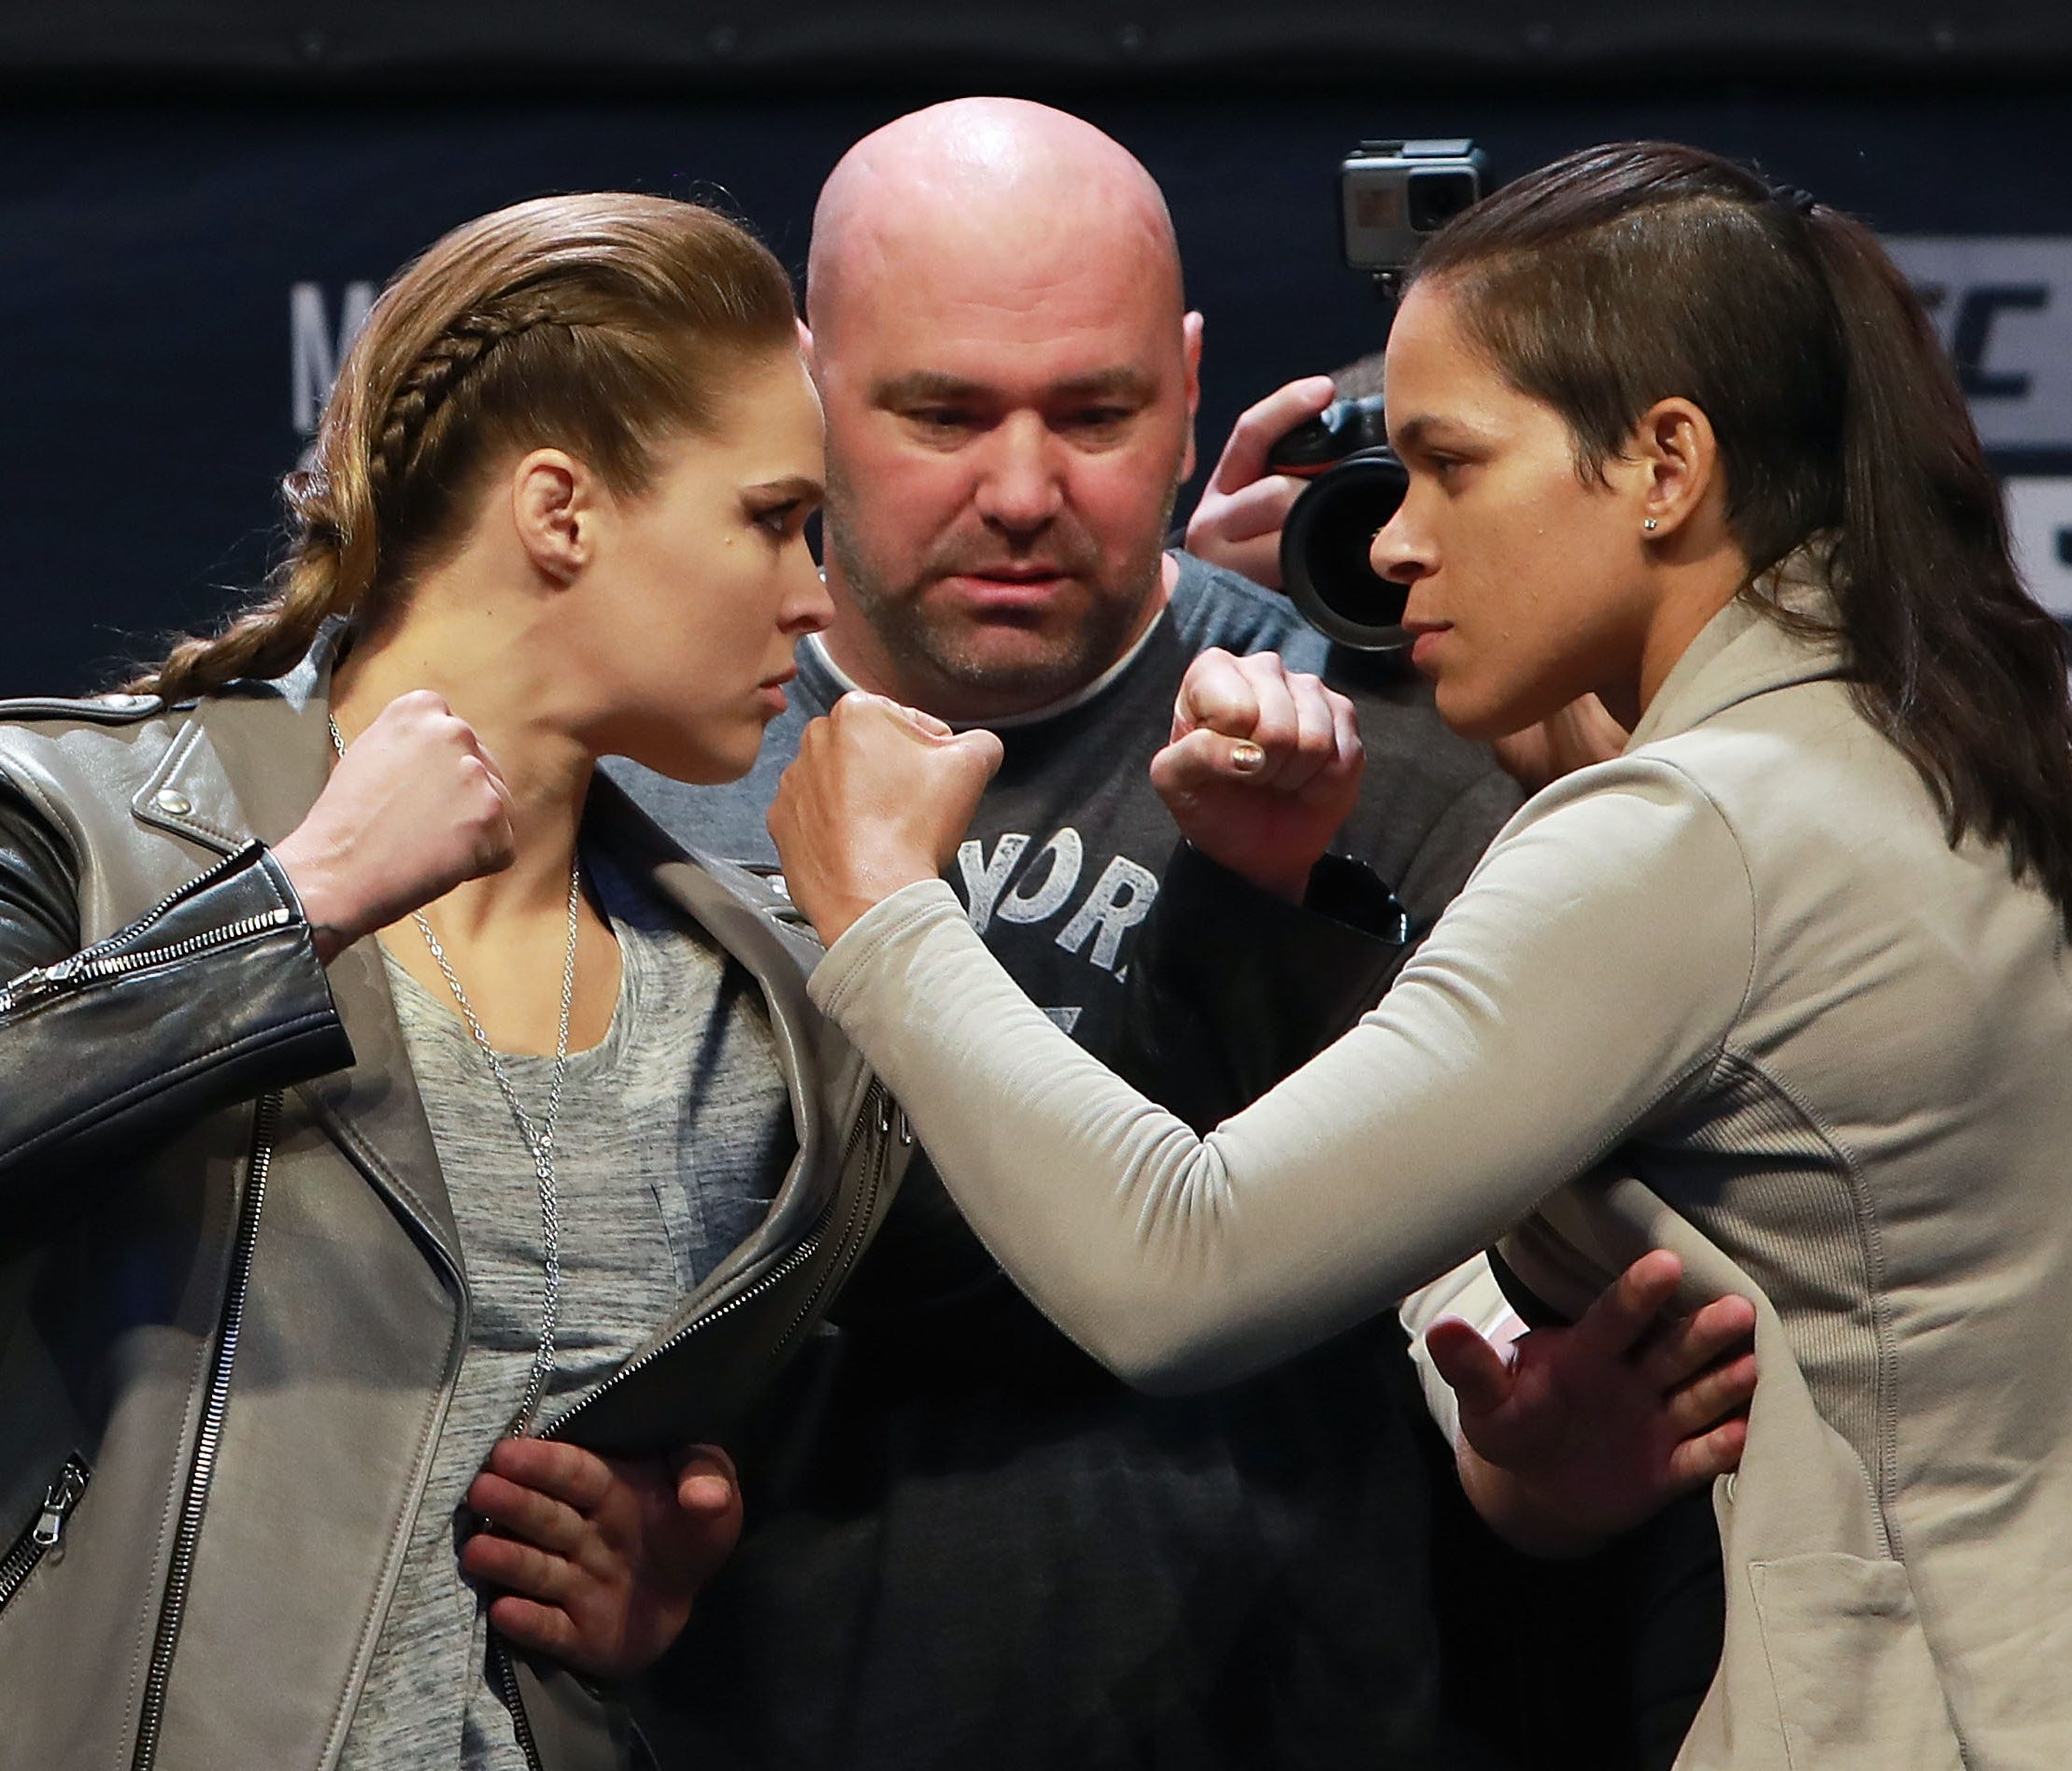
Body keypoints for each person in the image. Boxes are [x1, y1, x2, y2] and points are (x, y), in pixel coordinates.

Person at [767, 139, 2072, 1770]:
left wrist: (888, 913)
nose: (1388, 545)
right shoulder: (1881, 736)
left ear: (1663, 466)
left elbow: (1178, 1270)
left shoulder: (1688, 836)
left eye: (1450, 467)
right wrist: (1320, 909)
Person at [617, 101, 1734, 1771]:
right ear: (802, 382)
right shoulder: (639, 759)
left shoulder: (1402, 748)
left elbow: (1488, 1319)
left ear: (1191, 385)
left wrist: (1542, 1489)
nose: (1018, 490)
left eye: (1094, 412)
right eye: (938, 412)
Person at [0, 191, 915, 1769]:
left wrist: (662, 1582)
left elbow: (1096, 1323)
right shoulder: (84, 825)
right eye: (773, 517)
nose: (818, 594)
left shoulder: (756, 1002)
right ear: (561, 511)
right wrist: (295, 906)